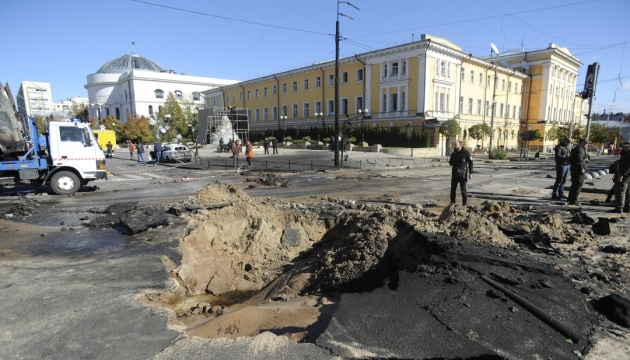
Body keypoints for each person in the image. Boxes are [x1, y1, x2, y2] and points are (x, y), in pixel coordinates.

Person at [448, 140, 473, 205]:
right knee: (453, 189)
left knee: (463, 190)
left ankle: (464, 204)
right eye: (454, 145)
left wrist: (471, 173)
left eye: (456, 145)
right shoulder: (453, 154)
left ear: (460, 145)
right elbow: (450, 162)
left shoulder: (466, 153)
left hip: (463, 175)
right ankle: (452, 202)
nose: (454, 146)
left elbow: (471, 162)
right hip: (455, 174)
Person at [567, 138, 590, 206]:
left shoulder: (577, 149)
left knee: (574, 184)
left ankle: (570, 199)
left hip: (575, 169)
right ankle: (573, 200)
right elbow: (578, 160)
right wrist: (581, 168)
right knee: (578, 185)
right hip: (578, 170)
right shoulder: (579, 150)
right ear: (581, 142)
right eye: (585, 143)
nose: (586, 144)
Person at [611, 142, 630, 213]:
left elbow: (628, 167)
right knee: (627, 192)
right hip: (625, 175)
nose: (625, 148)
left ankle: (619, 208)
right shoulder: (625, 153)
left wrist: (621, 175)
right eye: (624, 146)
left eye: (627, 147)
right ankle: (626, 207)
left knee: (620, 191)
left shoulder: (628, 155)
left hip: (625, 175)